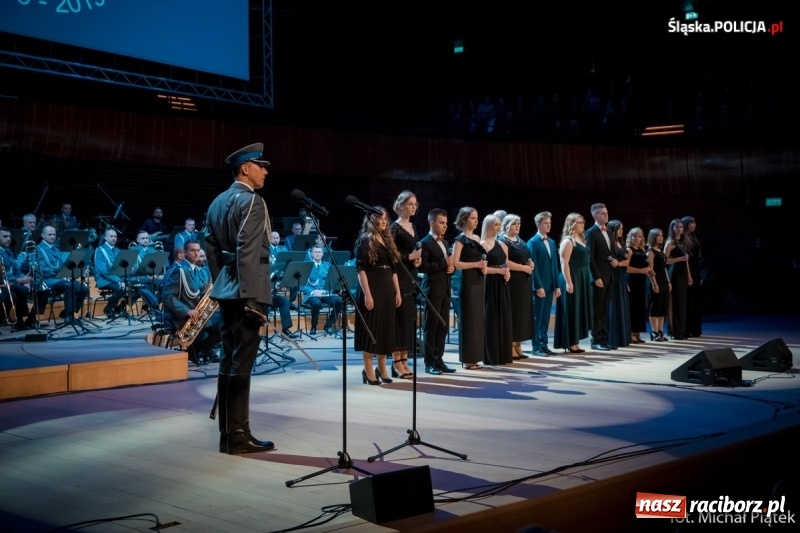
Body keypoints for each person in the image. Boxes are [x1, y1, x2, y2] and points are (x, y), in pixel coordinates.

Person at [205, 142, 275, 455]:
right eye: (261, 165)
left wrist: (225, 280)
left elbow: (210, 248)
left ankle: (228, 435)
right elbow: (248, 249)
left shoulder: (217, 201)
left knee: (228, 360)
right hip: (248, 292)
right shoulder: (253, 201)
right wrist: (249, 296)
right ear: (245, 168)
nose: (265, 171)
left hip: (227, 290)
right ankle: (238, 435)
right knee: (241, 364)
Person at [353, 207, 402, 385]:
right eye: (379, 218)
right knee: (371, 329)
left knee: (386, 330)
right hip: (372, 287)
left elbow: (394, 270)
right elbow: (361, 270)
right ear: (371, 220)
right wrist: (367, 295)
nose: (383, 221)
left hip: (387, 288)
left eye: (385, 218)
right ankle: (368, 370)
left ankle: (382, 368)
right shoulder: (366, 240)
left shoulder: (388, 240)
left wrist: (397, 291)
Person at [162, 240, 221, 365]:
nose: (196, 253)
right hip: (185, 317)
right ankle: (197, 351)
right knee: (225, 327)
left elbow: (196, 293)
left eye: (198, 250)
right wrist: (186, 311)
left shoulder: (195, 270)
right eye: (192, 250)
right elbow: (167, 296)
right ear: (184, 253)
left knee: (227, 322)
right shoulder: (180, 270)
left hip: (198, 313)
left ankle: (198, 351)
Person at [418, 208, 455, 377]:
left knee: (443, 327)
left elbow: (447, 265)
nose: (445, 226)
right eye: (441, 223)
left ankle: (439, 359)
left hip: (445, 289)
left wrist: (451, 268)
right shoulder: (424, 243)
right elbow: (423, 267)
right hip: (432, 290)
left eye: (446, 223)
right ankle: (429, 362)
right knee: (431, 326)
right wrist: (443, 263)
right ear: (431, 223)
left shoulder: (445, 243)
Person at [389, 190, 421, 379]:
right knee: (399, 319)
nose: (414, 207)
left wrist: (416, 260)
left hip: (411, 274)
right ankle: (396, 362)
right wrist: (410, 257)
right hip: (399, 276)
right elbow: (392, 255)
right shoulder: (394, 227)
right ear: (400, 205)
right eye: (410, 204)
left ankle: (405, 360)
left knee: (408, 320)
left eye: (415, 204)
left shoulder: (413, 227)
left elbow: (415, 250)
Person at [452, 207, 487, 370]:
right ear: (464, 220)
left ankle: (476, 356)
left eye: (477, 218)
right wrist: (476, 264)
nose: (476, 221)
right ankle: (468, 359)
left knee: (478, 321)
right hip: (467, 282)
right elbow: (455, 263)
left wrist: (483, 267)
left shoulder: (477, 238)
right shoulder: (460, 240)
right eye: (473, 218)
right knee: (469, 320)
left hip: (479, 281)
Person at [553, 213, 591, 354]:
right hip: (571, 277)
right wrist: (569, 282)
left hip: (582, 277)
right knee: (571, 310)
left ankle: (575, 341)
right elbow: (564, 263)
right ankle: (570, 343)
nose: (582, 225)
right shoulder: (568, 241)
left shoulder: (581, 239)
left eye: (583, 222)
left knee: (578, 309)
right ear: (571, 224)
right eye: (579, 222)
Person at [36, 226, 89, 321]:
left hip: (59, 279)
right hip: (47, 279)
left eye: (54, 234)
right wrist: (61, 275)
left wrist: (70, 273)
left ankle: (66, 313)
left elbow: (61, 266)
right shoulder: (39, 249)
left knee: (84, 288)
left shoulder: (56, 249)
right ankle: (69, 316)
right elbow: (43, 270)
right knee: (70, 285)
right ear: (43, 235)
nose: (52, 237)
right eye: (50, 234)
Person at [499, 214, 533, 359]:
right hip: (513, 281)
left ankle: (518, 344)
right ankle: (510, 345)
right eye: (514, 224)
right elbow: (505, 261)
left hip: (524, 281)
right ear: (506, 225)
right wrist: (524, 268)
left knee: (521, 314)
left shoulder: (520, 240)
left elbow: (527, 255)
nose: (518, 226)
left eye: (519, 223)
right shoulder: (503, 240)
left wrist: (530, 263)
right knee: (513, 312)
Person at [527, 211, 561, 355]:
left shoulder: (552, 242)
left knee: (546, 317)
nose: (549, 225)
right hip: (540, 286)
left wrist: (557, 284)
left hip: (550, 285)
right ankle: (536, 347)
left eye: (550, 223)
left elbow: (554, 266)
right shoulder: (532, 242)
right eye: (546, 223)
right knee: (537, 317)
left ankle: (544, 344)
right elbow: (533, 267)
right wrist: (538, 286)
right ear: (538, 224)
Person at [481, 214, 513, 365]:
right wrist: (500, 272)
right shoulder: (482, 244)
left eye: (499, 225)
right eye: (495, 225)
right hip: (490, 284)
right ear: (488, 226)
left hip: (502, 284)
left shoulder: (502, 244)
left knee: (503, 317)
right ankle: (491, 355)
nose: (499, 227)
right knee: (492, 317)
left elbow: (506, 264)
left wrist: (507, 274)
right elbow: (484, 269)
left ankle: (503, 354)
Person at [585, 203, 617, 351]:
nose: (606, 215)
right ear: (595, 215)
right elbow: (589, 257)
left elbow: (611, 252)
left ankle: (604, 339)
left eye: (606, 212)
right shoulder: (591, 233)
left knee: (605, 310)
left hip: (609, 275)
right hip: (599, 278)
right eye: (602, 213)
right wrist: (596, 276)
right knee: (597, 310)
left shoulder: (609, 232)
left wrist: (615, 259)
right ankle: (596, 340)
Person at [301, 245, 343, 335]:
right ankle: (314, 326)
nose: (317, 254)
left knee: (338, 302)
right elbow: (301, 285)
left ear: (323, 254)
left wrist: (324, 291)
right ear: (312, 254)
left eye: (319, 252)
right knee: (316, 303)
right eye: (315, 252)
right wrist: (314, 292)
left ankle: (328, 325)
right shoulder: (306, 266)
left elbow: (331, 282)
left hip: (325, 292)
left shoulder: (327, 266)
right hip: (312, 294)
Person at [0, 226, 34, 330]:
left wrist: (24, 279)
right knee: (19, 292)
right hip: (4, 284)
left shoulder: (8, 252)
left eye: (9, 236)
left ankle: (23, 321)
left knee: (29, 288)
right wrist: (19, 280)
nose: (8, 239)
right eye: (5, 236)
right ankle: (18, 321)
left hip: (11, 282)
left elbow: (16, 270)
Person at [664, 218, 692, 340]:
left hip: (683, 273)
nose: (679, 229)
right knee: (676, 303)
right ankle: (675, 331)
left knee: (682, 303)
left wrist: (689, 275)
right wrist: (679, 259)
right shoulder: (670, 242)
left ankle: (682, 329)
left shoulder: (683, 242)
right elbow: (664, 260)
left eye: (681, 227)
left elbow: (686, 261)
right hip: (674, 273)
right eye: (677, 227)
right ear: (672, 228)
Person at [94, 228, 129, 319]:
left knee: (135, 286)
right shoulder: (100, 250)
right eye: (111, 236)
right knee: (120, 287)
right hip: (104, 279)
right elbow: (103, 271)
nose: (113, 238)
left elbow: (121, 267)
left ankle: (119, 308)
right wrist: (118, 280)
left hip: (117, 278)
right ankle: (109, 308)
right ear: (105, 238)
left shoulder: (117, 250)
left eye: (115, 236)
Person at [606, 220, 631, 348]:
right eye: (619, 229)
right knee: (614, 305)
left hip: (622, 276)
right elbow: (611, 261)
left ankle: (623, 337)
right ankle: (614, 338)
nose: (621, 231)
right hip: (614, 276)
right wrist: (621, 263)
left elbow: (626, 262)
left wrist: (620, 263)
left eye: (622, 229)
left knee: (622, 304)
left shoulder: (620, 243)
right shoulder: (610, 243)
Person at [625, 227, 650, 344]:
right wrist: (641, 271)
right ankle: (631, 333)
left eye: (639, 236)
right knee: (633, 307)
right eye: (634, 236)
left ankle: (637, 332)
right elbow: (626, 268)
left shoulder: (642, 250)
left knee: (640, 307)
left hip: (641, 282)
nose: (637, 238)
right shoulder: (629, 250)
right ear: (630, 237)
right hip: (632, 281)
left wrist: (649, 270)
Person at [646, 228, 670, 342]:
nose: (660, 237)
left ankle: (660, 331)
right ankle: (654, 332)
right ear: (653, 237)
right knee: (655, 306)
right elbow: (650, 270)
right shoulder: (650, 251)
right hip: (656, 281)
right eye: (658, 236)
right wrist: (654, 284)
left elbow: (664, 268)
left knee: (663, 307)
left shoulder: (660, 251)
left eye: (661, 235)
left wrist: (669, 281)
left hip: (664, 281)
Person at [681, 215, 703, 337]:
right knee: (689, 300)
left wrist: (699, 275)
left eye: (694, 223)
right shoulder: (684, 238)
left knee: (696, 300)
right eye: (691, 223)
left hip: (696, 269)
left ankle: (695, 328)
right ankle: (688, 328)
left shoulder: (693, 237)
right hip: (688, 270)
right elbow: (687, 258)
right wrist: (689, 275)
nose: (694, 225)